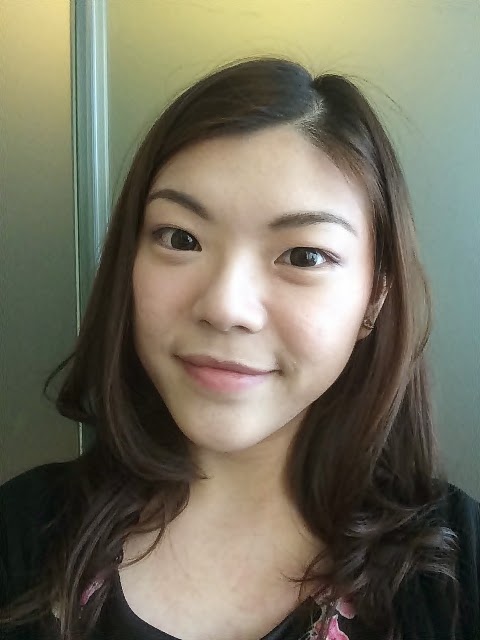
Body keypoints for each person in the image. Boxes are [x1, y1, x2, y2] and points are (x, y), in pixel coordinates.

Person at [0, 56, 478, 640]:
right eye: (181, 238)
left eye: (303, 256)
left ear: (374, 299)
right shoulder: (22, 534)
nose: (226, 306)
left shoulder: (456, 570)